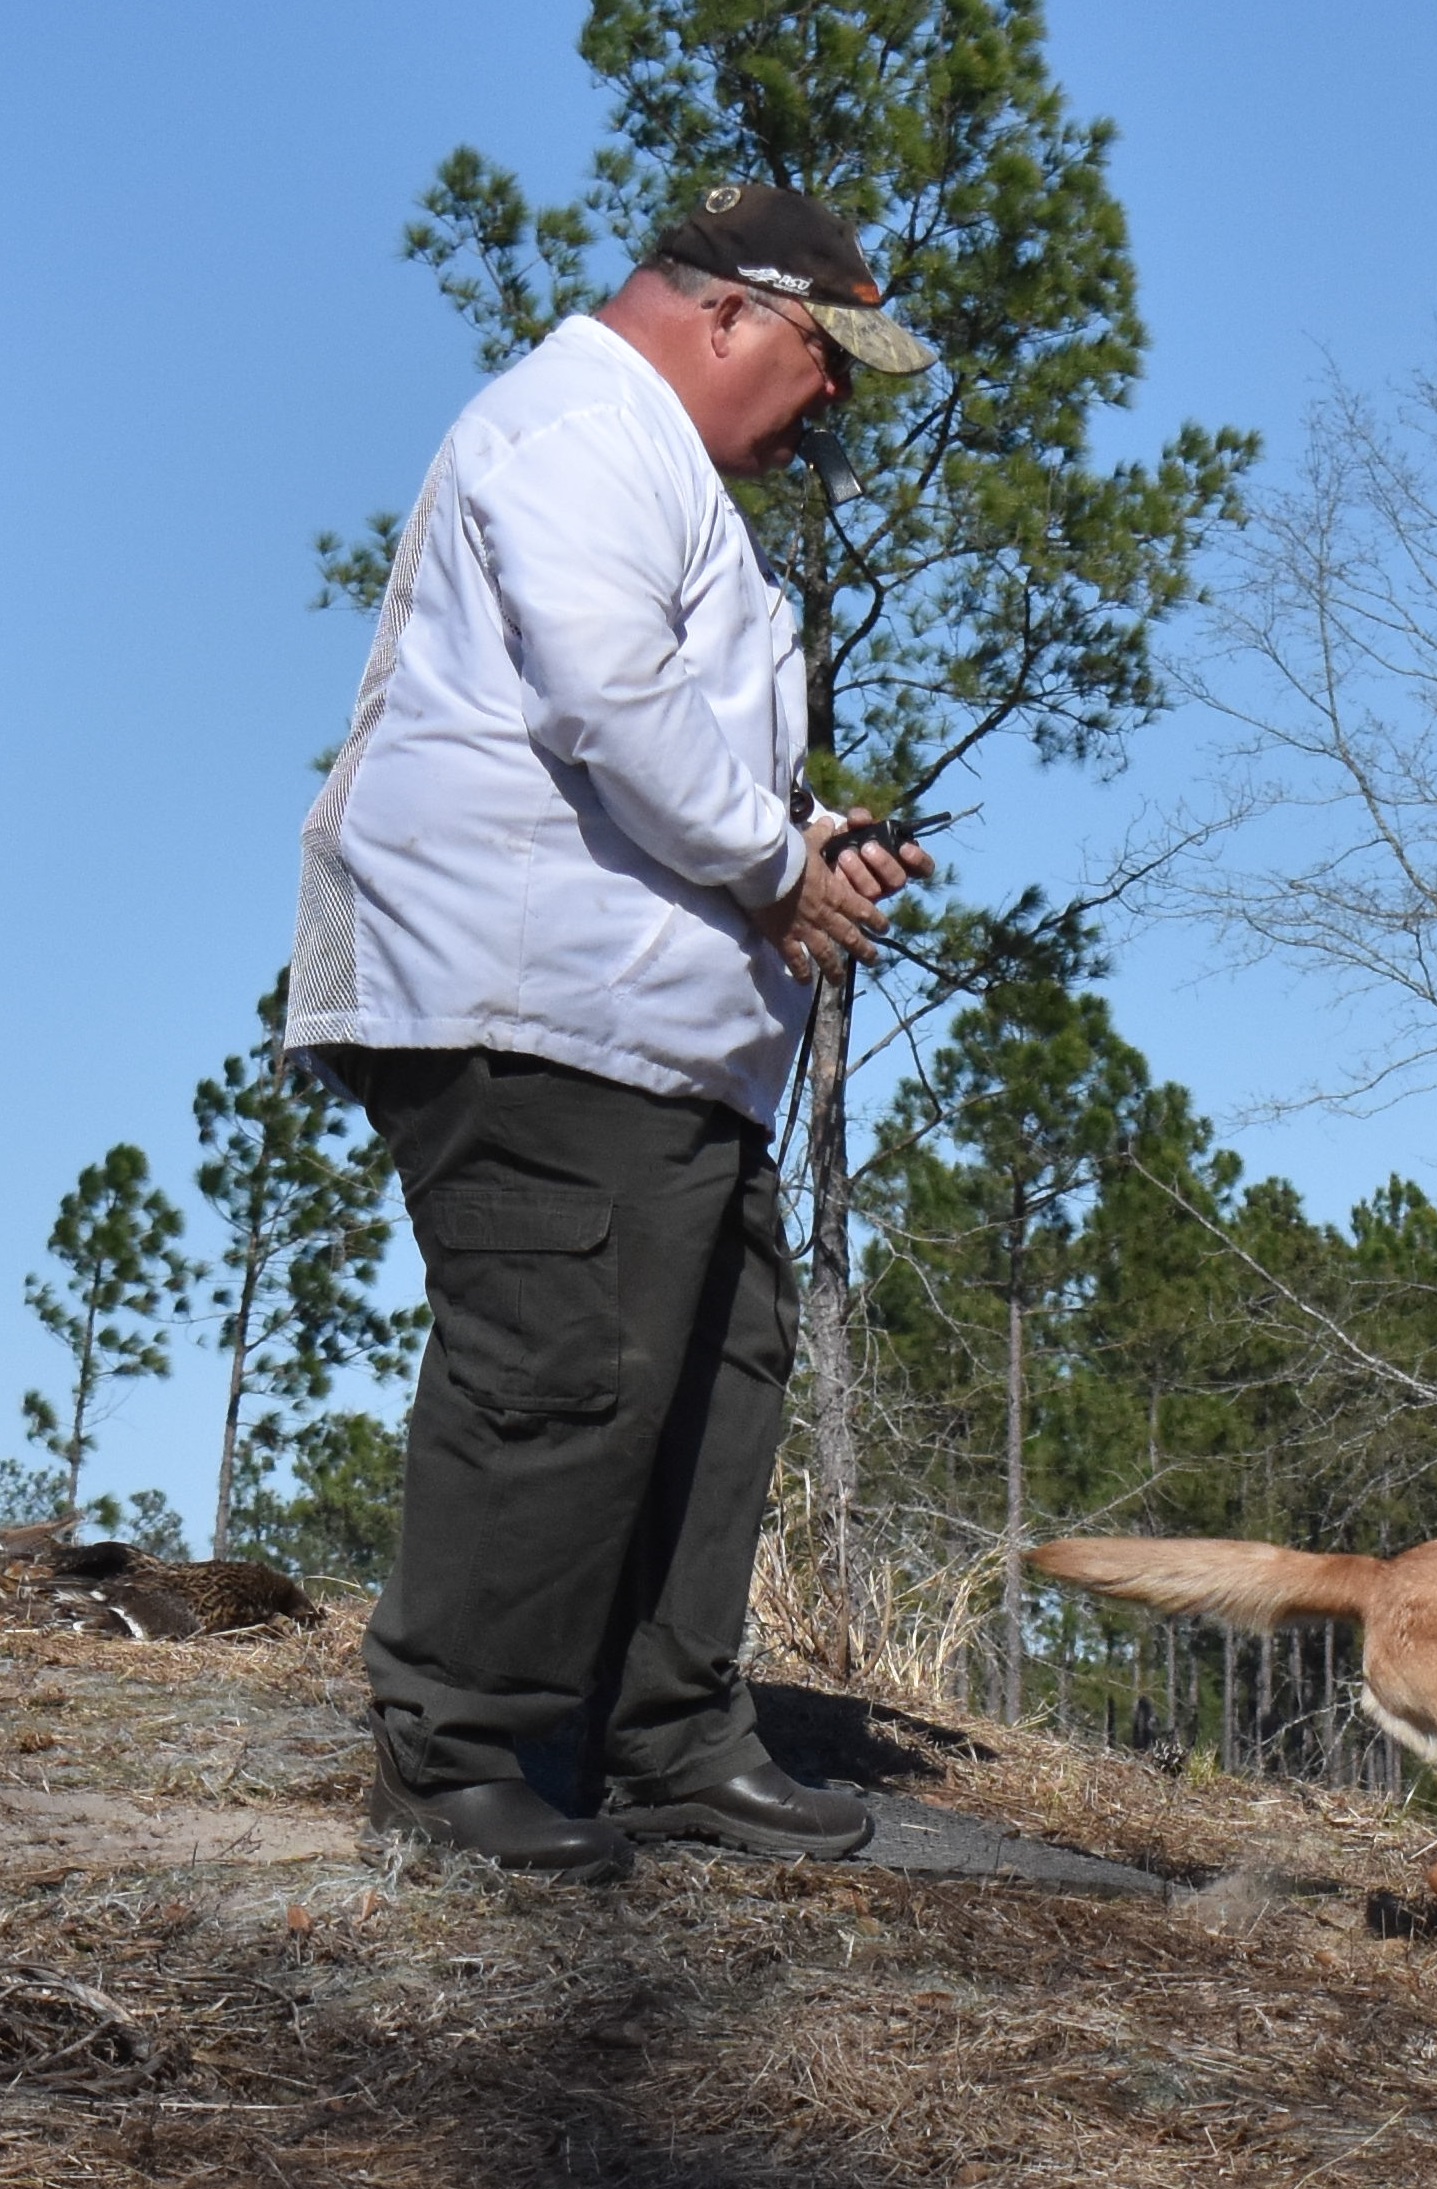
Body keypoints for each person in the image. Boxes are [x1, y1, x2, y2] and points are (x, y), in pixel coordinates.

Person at [286, 184, 939, 1880]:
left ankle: (668, 1736)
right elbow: (603, 694)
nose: (836, 403)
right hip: (527, 1010)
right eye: (825, 357)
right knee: (565, 1371)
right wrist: (770, 865)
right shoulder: (578, 421)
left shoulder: (658, 461)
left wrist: (803, 835)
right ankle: (459, 1756)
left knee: (713, 1373)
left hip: (647, 1032)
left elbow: (661, 727)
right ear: (726, 314)